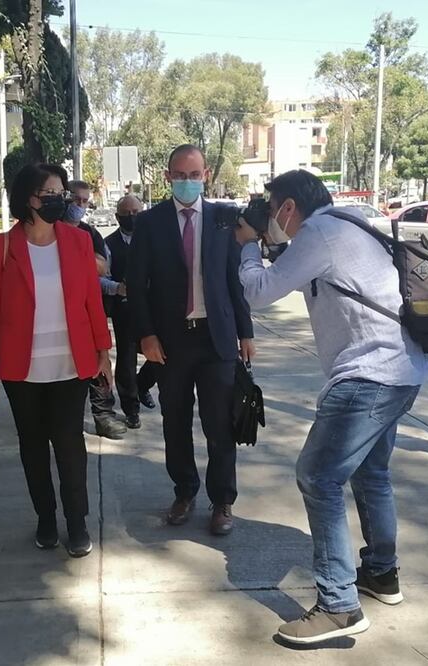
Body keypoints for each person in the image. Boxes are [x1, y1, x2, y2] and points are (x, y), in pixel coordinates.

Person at [232, 169, 428, 645]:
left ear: (287, 208)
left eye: (271, 206)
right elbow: (299, 275)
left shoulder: (318, 232)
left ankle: (339, 605)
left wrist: (246, 243)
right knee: (372, 474)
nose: (271, 217)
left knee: (318, 477)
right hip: (403, 370)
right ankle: (382, 574)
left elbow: (259, 292)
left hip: (368, 376)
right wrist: (268, 243)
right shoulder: (347, 224)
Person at [0, 163, 114, 558]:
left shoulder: (78, 241)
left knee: (70, 444)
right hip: (22, 368)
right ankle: (46, 519)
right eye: (49, 193)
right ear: (29, 199)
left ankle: (77, 522)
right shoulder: (3, 246)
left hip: (71, 364)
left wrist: (104, 352)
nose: (59, 200)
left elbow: (91, 300)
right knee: (32, 446)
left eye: (61, 193)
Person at [126, 144, 255, 537]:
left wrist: (246, 331)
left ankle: (223, 501)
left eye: (194, 174)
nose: (187, 181)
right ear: (167, 177)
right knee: (175, 422)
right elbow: (137, 286)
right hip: (171, 341)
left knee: (220, 424)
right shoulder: (150, 223)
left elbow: (235, 278)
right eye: (179, 175)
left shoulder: (224, 220)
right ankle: (184, 491)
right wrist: (145, 335)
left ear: (207, 175)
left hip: (216, 339)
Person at [64, 180, 127, 439]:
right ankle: (67, 418)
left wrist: (74, 258)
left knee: (99, 361)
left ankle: (103, 415)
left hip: (88, 311)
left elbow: (102, 269)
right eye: (75, 200)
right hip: (55, 311)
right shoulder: (47, 231)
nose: (80, 206)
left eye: (85, 201)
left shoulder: (90, 234)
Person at [100, 195, 159, 429]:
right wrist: (117, 287)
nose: (133, 217)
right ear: (117, 217)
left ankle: (142, 385)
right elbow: (100, 278)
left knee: (162, 353)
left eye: (137, 212)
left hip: (155, 306)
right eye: (128, 213)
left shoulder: (154, 239)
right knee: (126, 359)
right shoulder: (108, 244)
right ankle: (131, 408)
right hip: (124, 307)